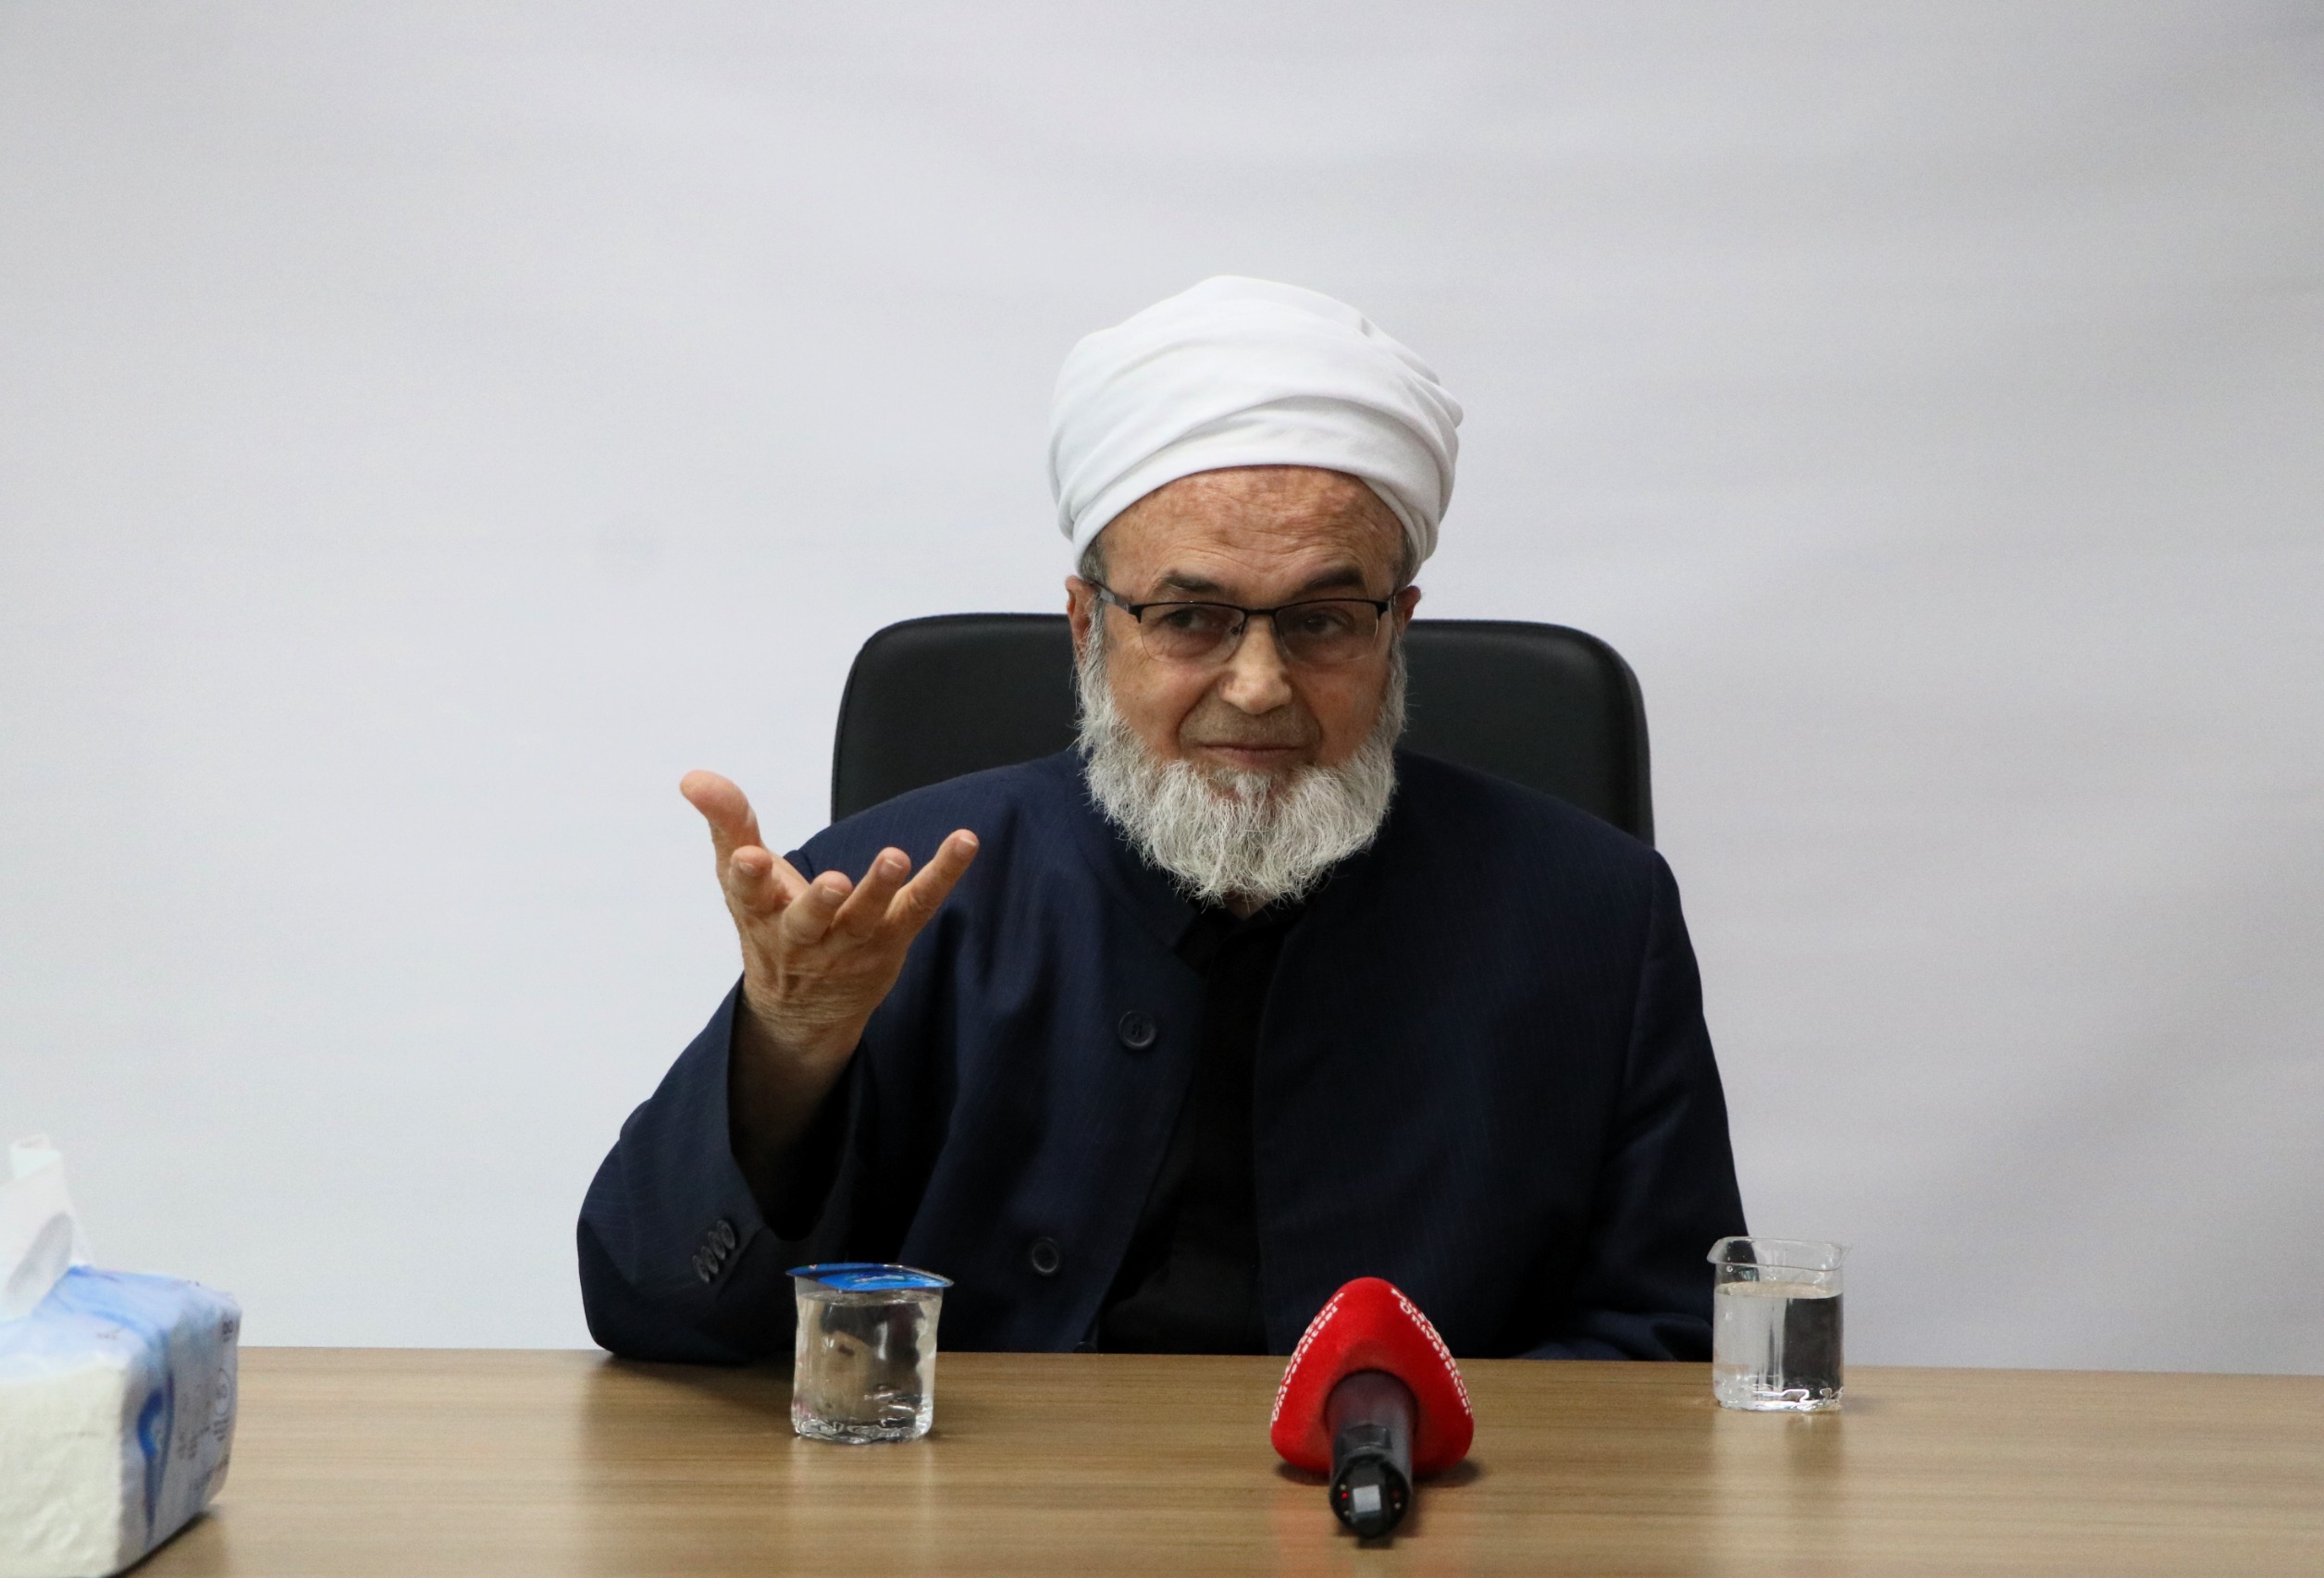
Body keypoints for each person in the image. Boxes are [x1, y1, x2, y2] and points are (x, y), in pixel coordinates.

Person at [577, 277, 1743, 1362]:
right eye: (1190, 618)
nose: (1259, 686)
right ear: (1088, 625)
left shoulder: (1593, 915)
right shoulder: (890, 899)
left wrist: (1420, 1443)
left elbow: (1669, 1342)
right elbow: (649, 1307)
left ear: (1396, 628)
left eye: (1323, 620)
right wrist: (789, 1048)